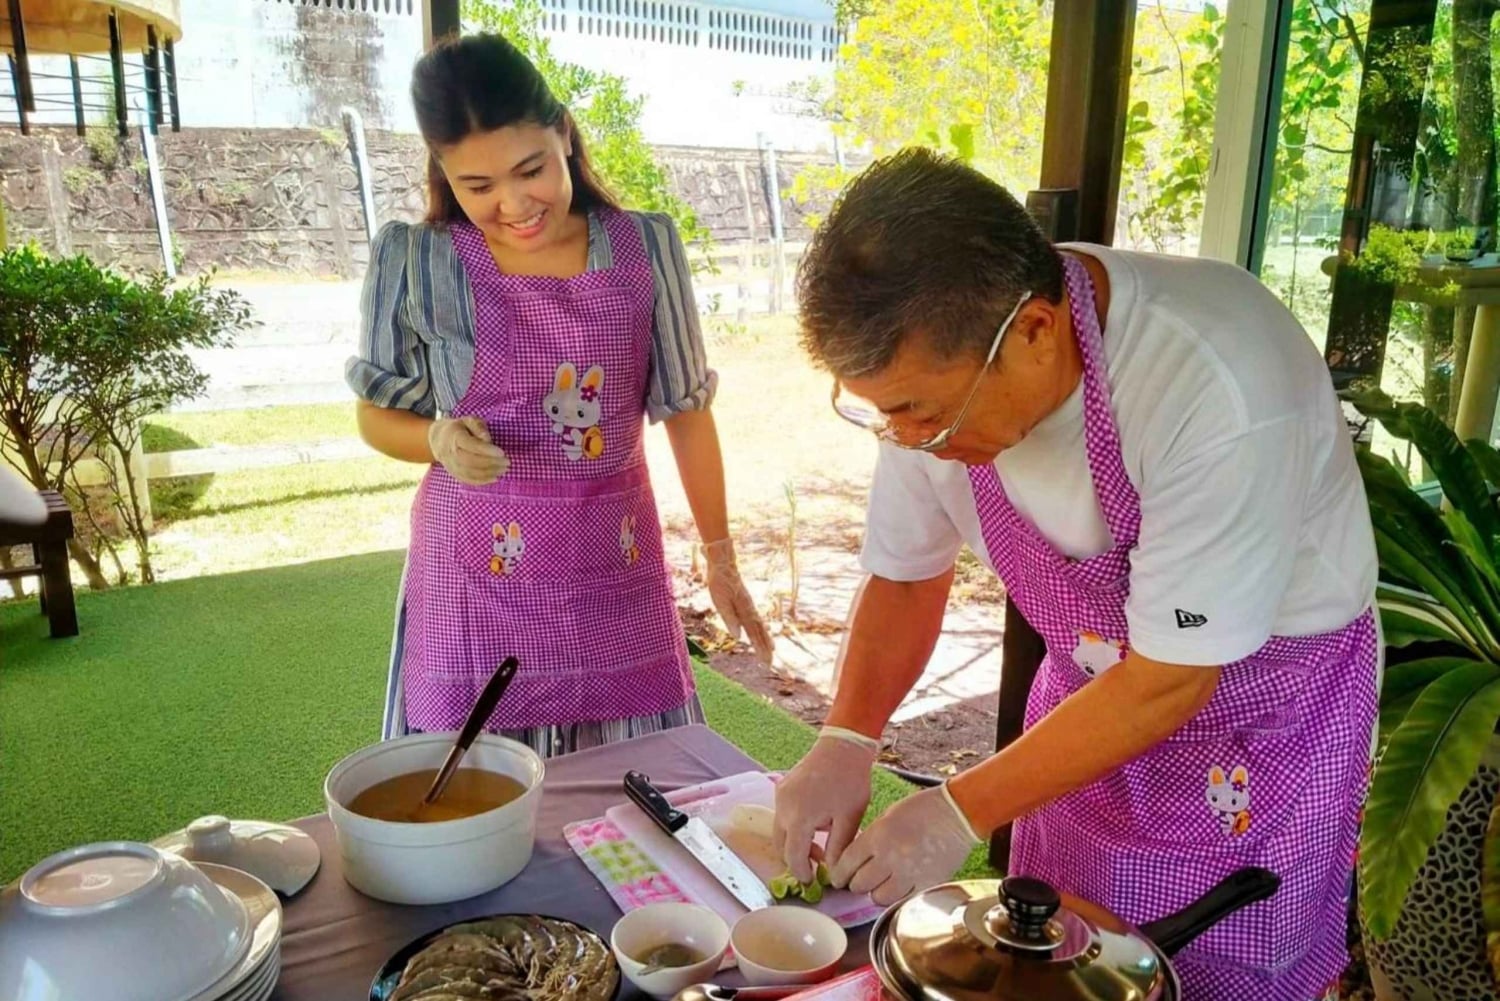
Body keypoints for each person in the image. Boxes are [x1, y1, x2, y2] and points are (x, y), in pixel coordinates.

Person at [772, 148, 1377, 1001]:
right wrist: (847, 737)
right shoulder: (929, 384)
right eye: (884, 411)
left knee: (1211, 969)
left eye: (925, 413)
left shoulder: (1215, 380)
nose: (910, 438)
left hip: (1260, 726)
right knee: (1048, 955)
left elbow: (1170, 678)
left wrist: (954, 807)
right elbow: (907, 578)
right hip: (1087, 715)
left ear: (1035, 331)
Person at [347, 32, 772, 758]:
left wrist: (719, 550)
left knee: (636, 796)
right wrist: (436, 440)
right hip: (473, 585)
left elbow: (686, 410)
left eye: (530, 169)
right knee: (471, 802)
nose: (513, 203)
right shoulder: (417, 260)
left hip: (612, 565)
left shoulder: (646, 247)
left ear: (564, 135)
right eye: (476, 186)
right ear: (443, 171)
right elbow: (375, 414)